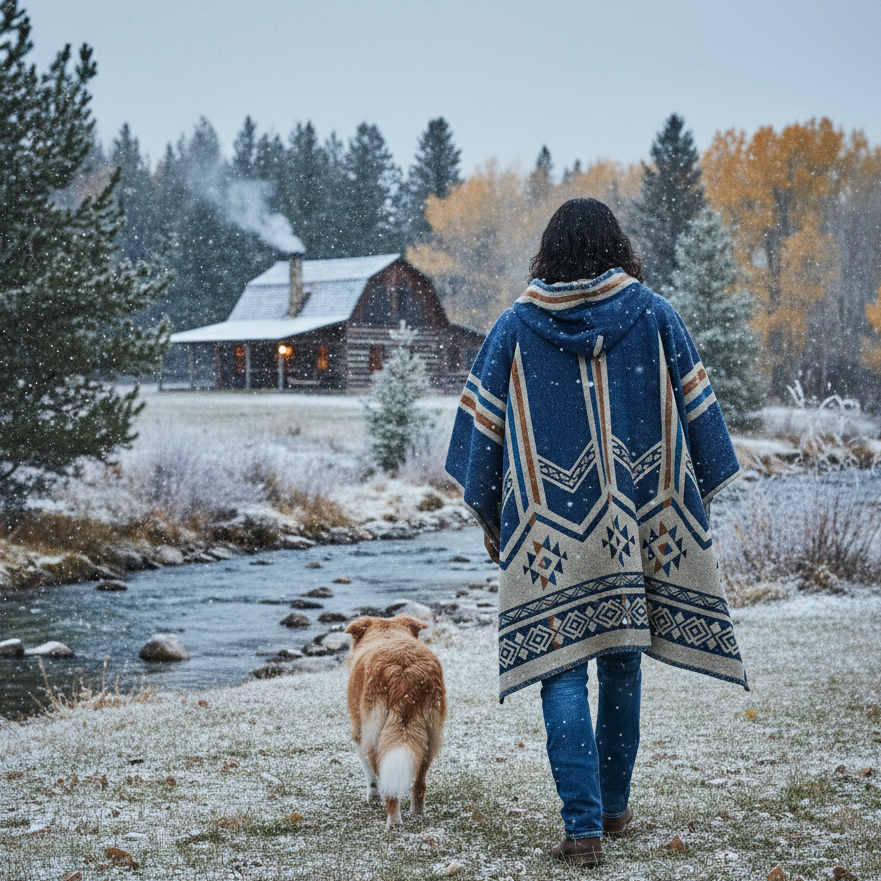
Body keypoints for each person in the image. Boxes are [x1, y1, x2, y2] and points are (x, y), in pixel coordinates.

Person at [445, 198, 748, 868]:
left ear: (547, 253)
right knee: (619, 658)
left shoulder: (514, 328)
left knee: (559, 668)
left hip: (549, 531)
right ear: (618, 247)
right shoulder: (653, 315)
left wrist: (499, 513)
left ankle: (581, 829)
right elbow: (702, 427)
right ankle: (611, 805)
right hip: (631, 526)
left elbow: (477, 439)